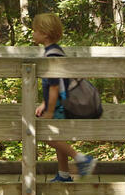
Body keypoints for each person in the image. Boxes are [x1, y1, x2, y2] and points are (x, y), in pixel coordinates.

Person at [31, 13, 97, 182]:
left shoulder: (52, 55)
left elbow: (54, 86)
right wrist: (44, 103)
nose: (33, 33)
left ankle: (81, 158)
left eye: (35, 30)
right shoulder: (54, 51)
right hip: (57, 102)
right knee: (58, 137)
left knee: (46, 135)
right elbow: (54, 84)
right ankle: (64, 174)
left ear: (45, 34)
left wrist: (49, 110)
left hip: (58, 104)